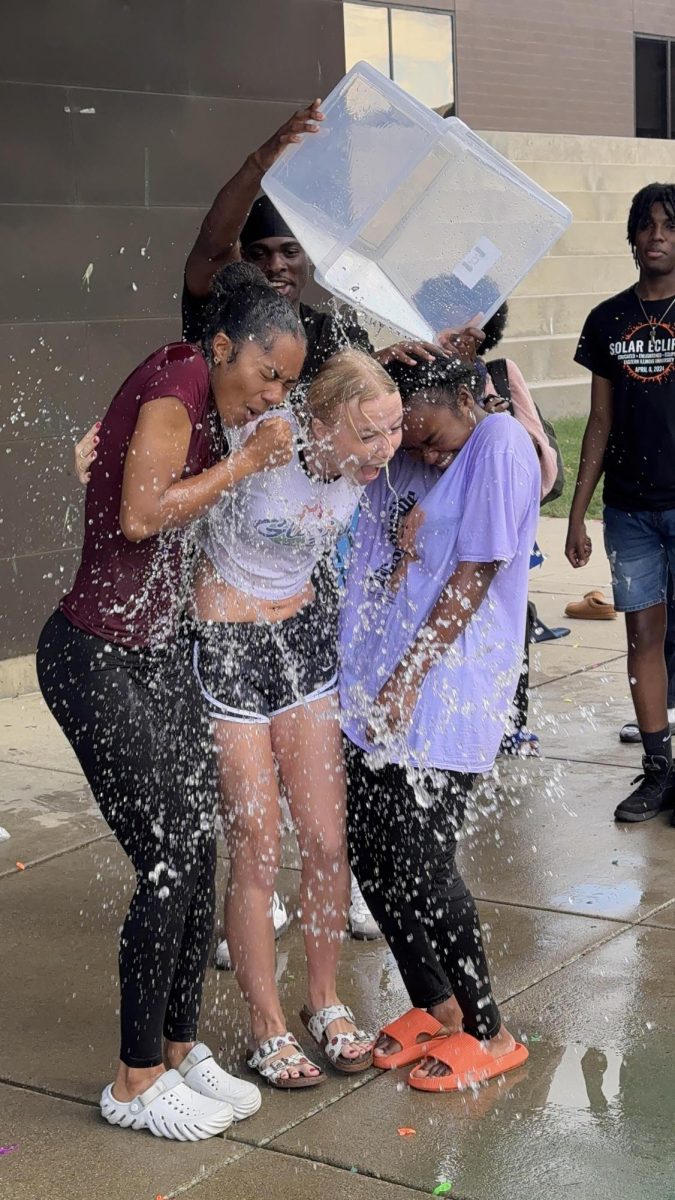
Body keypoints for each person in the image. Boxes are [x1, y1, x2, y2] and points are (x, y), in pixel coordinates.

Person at [36, 262, 306, 1139]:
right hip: (93, 657)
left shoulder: (198, 386)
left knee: (196, 846)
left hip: (149, 655)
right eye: (267, 375)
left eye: (288, 385)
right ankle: (134, 1079)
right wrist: (243, 463)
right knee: (165, 855)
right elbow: (142, 518)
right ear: (223, 346)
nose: (273, 398)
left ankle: (181, 1045)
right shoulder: (176, 387)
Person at [190, 348, 402, 1088]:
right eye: (368, 434)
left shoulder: (367, 471)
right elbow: (170, 470)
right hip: (229, 640)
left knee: (324, 836)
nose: (384, 449)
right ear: (316, 423)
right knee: (255, 839)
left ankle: (321, 999)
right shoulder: (260, 434)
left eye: (392, 430)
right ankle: (264, 1024)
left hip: (304, 639)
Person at [340, 352, 540, 1091]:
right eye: (409, 440)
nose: (421, 455)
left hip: (444, 693)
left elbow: (475, 573)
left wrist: (406, 676)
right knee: (373, 852)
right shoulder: (408, 445)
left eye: (429, 438)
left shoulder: (498, 445)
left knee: (424, 865)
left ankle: (490, 1029)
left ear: (467, 395)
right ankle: (435, 1004)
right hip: (380, 691)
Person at [566, 183, 675, 825]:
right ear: (631, 238)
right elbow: (598, 422)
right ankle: (658, 769)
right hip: (630, 510)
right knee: (643, 635)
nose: (657, 235)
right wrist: (578, 511)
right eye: (646, 225)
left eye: (668, 224)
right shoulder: (607, 320)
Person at [473, 302, 560, 757]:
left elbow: (543, 468)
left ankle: (509, 720)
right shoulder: (419, 373)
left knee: (508, 616)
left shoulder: (502, 374)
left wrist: (502, 424)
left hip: (498, 525)